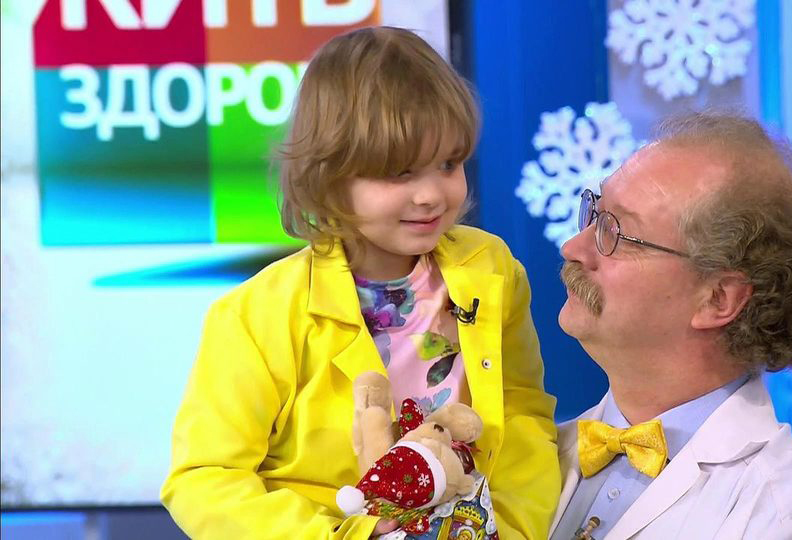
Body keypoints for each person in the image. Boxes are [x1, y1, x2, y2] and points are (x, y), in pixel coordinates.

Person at [160, 26, 560, 539]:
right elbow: (204, 479)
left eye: (448, 163)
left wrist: (516, 528)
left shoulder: (492, 268)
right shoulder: (257, 315)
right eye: (400, 172)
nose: (431, 195)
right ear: (329, 177)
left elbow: (523, 414)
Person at [548, 112, 792, 539]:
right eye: (594, 213)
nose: (573, 248)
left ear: (718, 299)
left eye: (617, 232)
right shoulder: (531, 453)